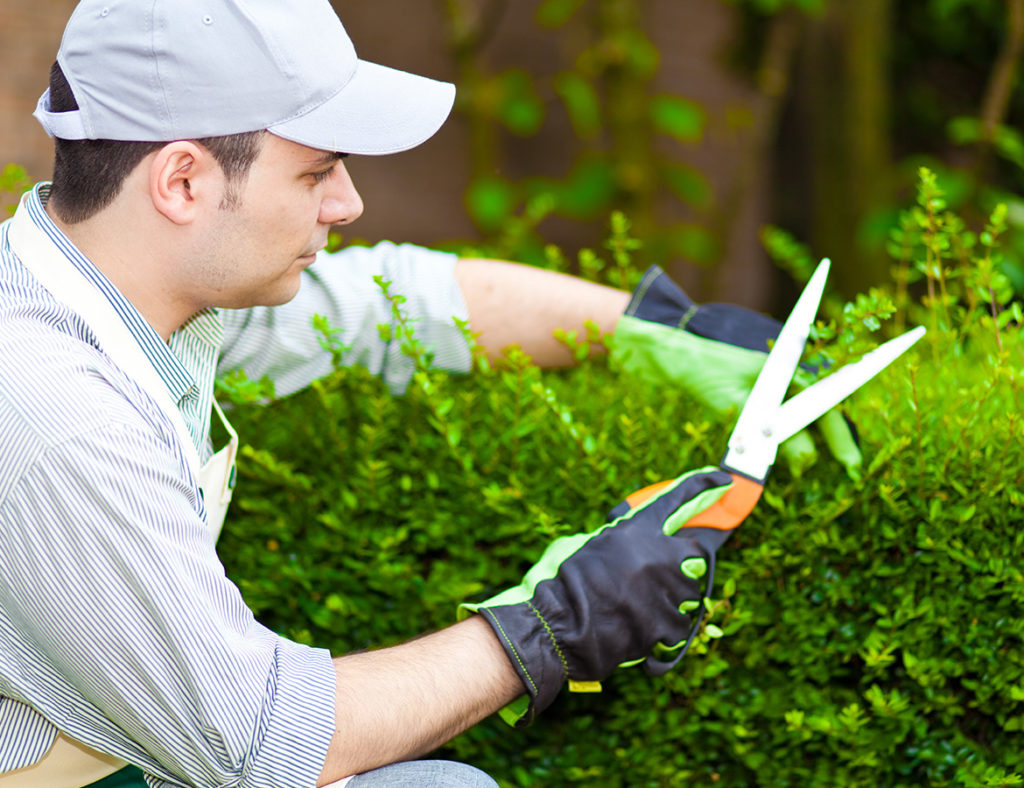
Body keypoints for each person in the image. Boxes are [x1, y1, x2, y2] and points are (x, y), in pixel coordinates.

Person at [0, 2, 860, 787]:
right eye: (316, 172)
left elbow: (388, 305)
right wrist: (547, 627)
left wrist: (651, 328)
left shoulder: (124, 285)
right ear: (182, 182)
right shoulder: (59, 413)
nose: (349, 202)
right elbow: (256, 742)